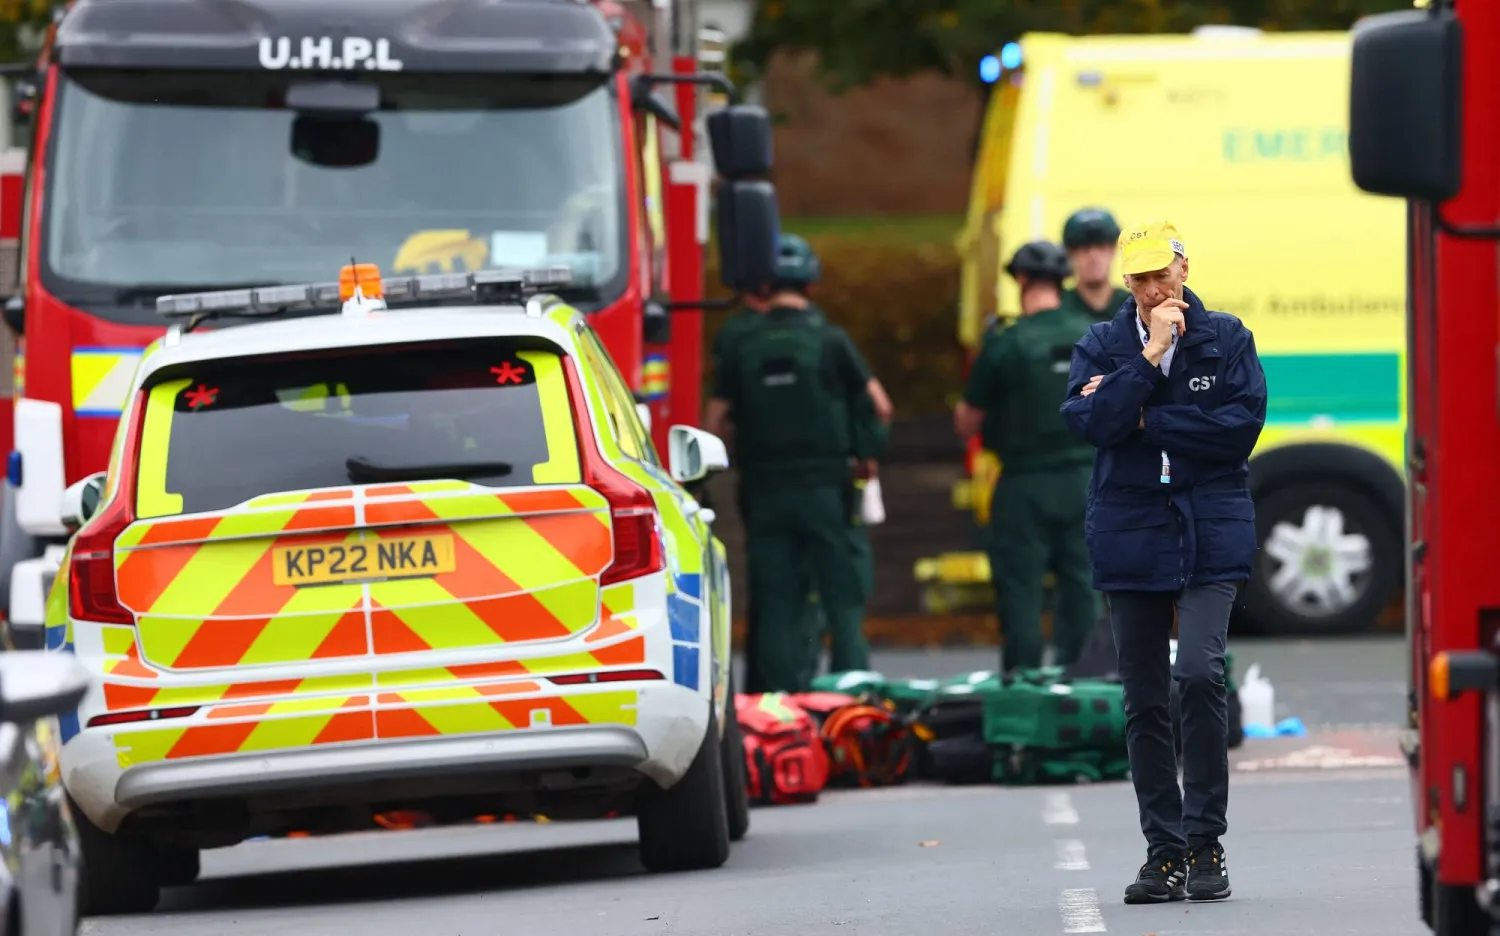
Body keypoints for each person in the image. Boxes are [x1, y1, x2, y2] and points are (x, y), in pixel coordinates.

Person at [1059, 220, 1267, 906]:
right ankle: (1165, 851)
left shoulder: (1227, 338)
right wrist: (1146, 362)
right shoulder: (1102, 344)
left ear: (1185, 269)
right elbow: (1089, 424)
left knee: (1200, 673)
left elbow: (1239, 428)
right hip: (1131, 528)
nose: (1152, 290)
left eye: (1162, 275)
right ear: (1127, 283)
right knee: (1143, 698)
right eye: (1140, 279)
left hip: (1211, 524)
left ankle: (1208, 839)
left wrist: (1147, 421)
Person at [705, 242, 878, 693]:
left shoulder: (743, 343)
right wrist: (865, 453)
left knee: (777, 600)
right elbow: (879, 405)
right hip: (826, 488)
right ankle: (851, 694)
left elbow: (714, 421)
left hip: (765, 491)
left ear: (765, 286)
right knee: (841, 596)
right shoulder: (830, 340)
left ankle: (778, 708)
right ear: (812, 284)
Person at [953, 240, 1100, 674]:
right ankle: (1081, 678)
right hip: (1085, 478)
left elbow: (966, 422)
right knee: (1083, 583)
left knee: (1021, 588)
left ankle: (1024, 681)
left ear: (1020, 281)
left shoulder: (1005, 342)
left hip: (1023, 483)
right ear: (1063, 280)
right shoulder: (1092, 335)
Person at [1060, 208, 1132, 320]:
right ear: (1070, 253)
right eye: (1084, 248)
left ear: (1113, 250)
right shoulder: (1058, 306)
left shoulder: (1133, 306)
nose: (1093, 256)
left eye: (1101, 247)